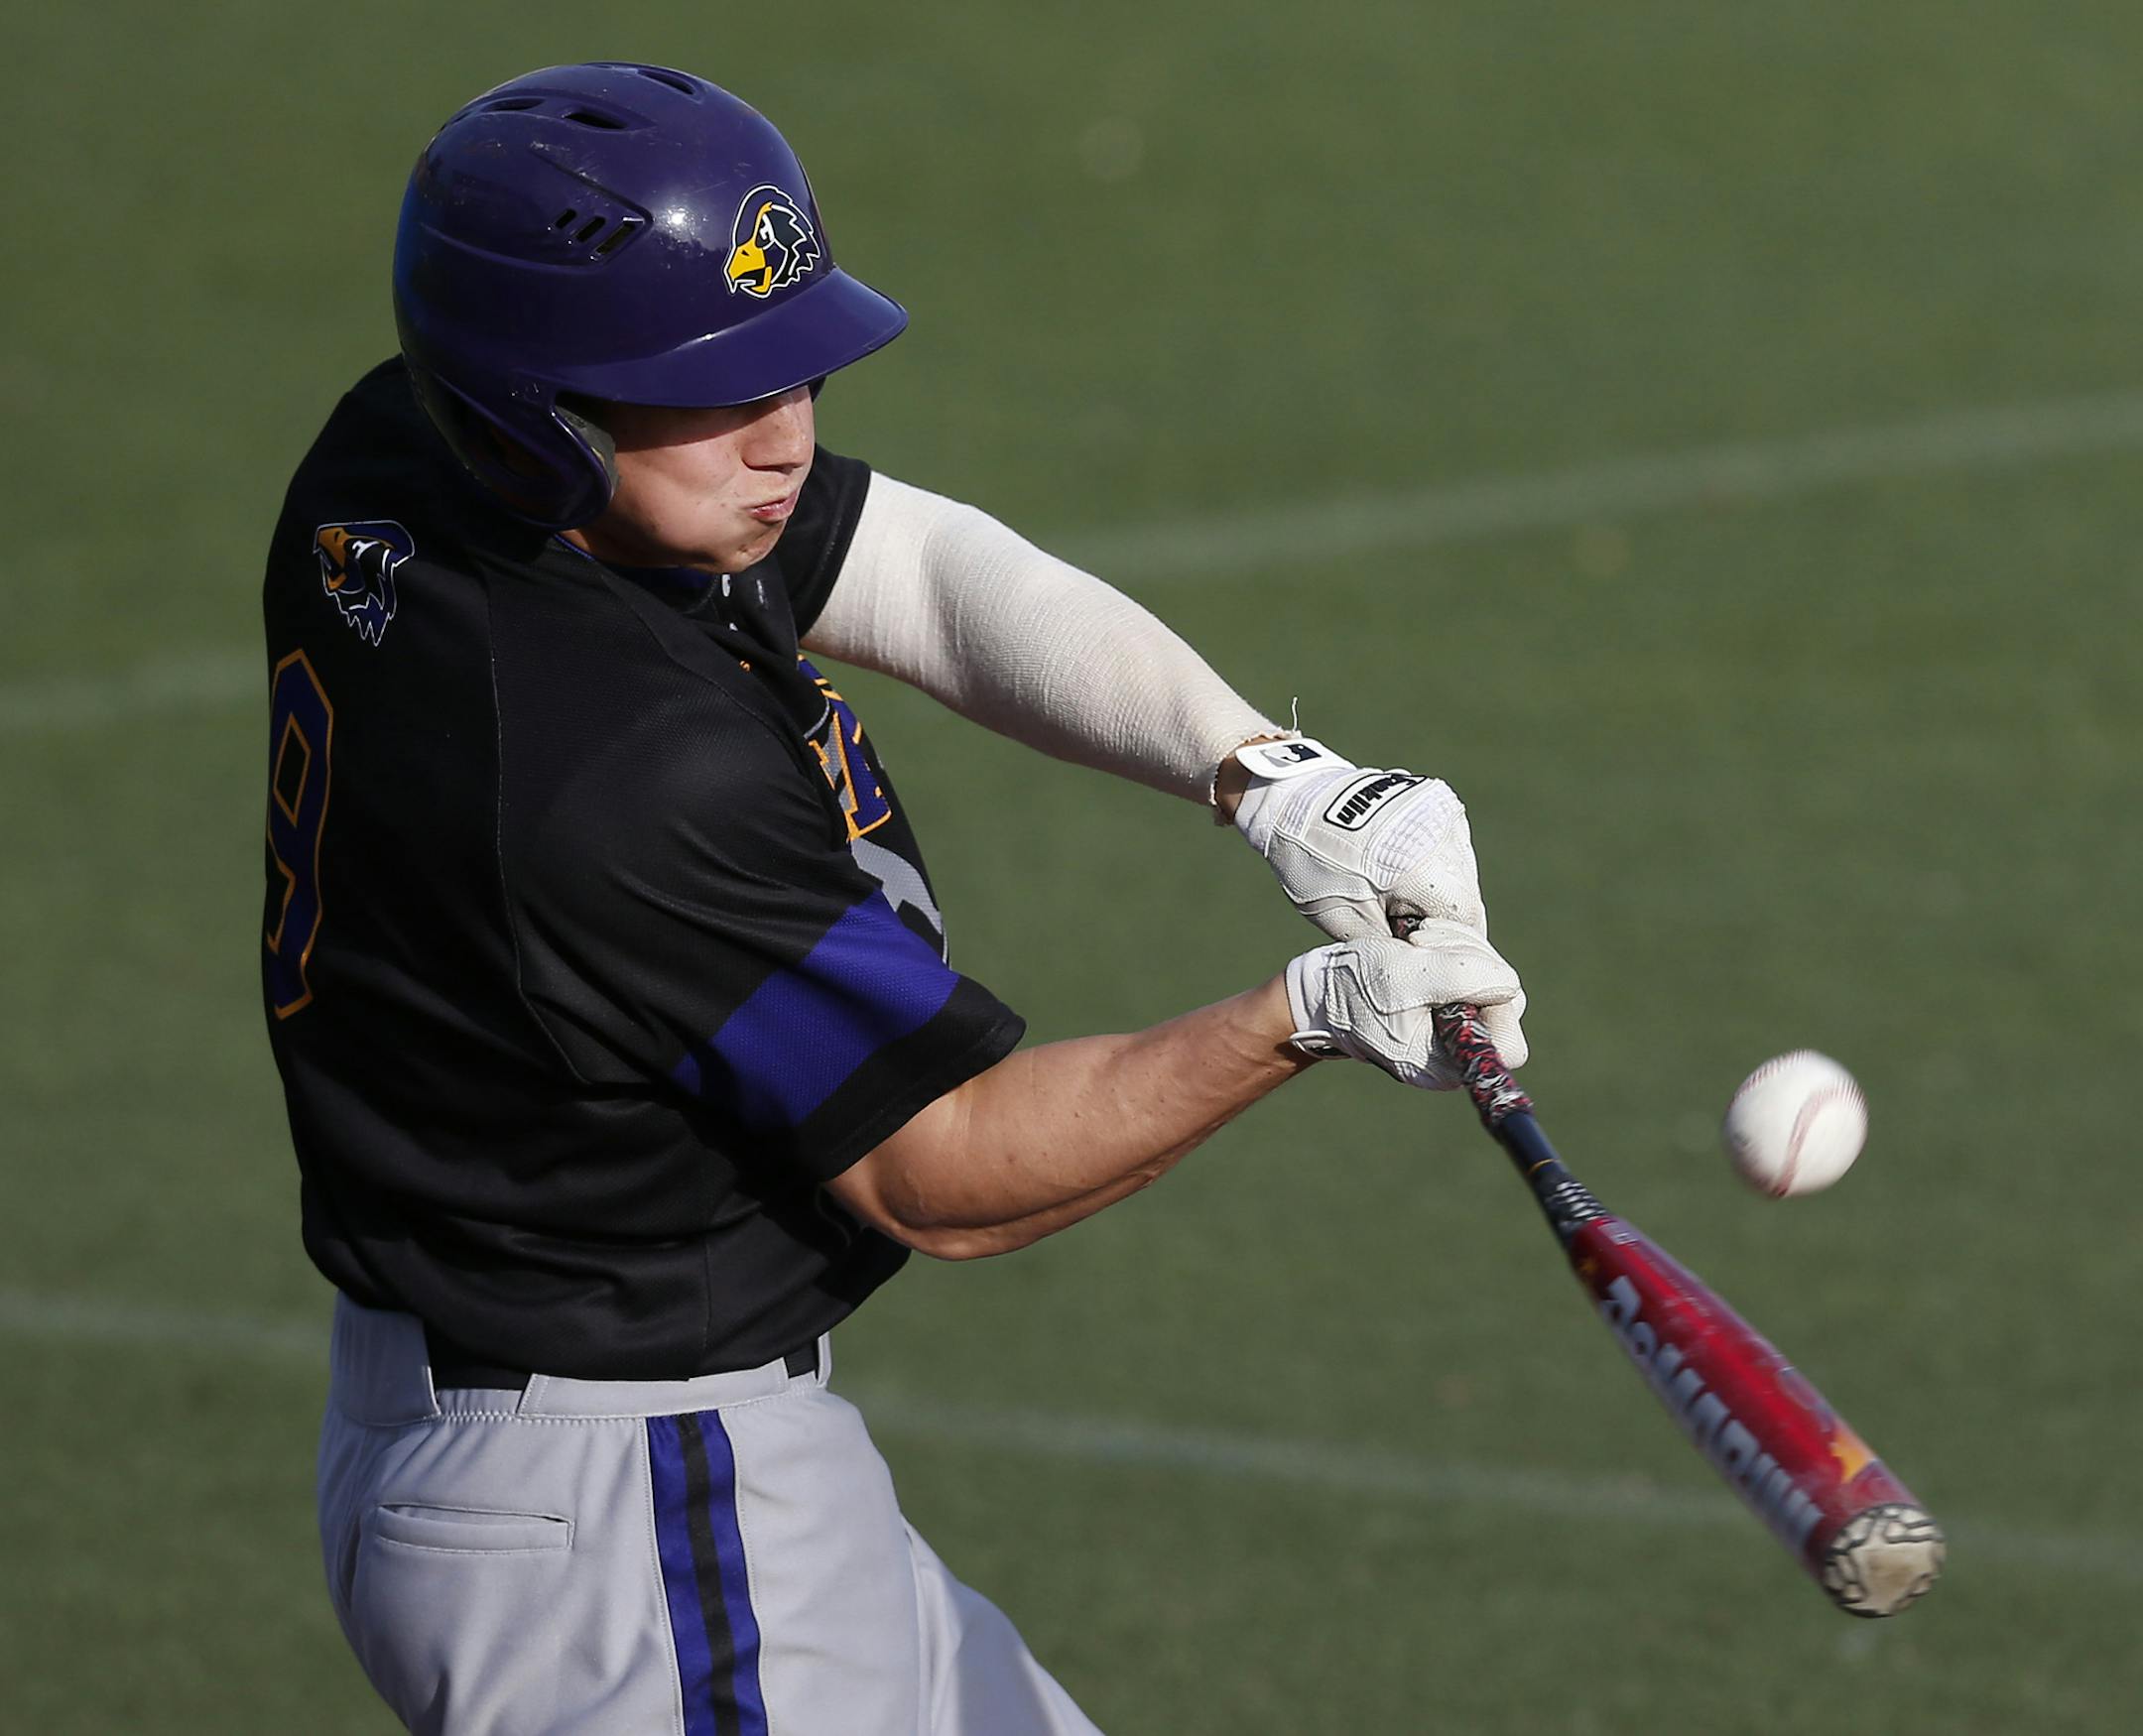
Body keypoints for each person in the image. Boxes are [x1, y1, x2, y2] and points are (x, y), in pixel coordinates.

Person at [263, 61, 1528, 1735]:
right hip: (638, 1526)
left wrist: (1273, 776)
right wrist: (1304, 1015)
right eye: (706, 396)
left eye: (790, 370)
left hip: (584, 1445)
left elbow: (921, 571)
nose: (784, 439)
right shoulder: (615, 772)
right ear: (533, 415)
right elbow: (947, 1169)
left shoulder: (404, 464)